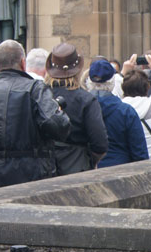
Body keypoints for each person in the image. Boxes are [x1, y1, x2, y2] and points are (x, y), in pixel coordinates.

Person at [0, 39, 70, 187]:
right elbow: (58, 125)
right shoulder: (35, 88)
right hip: (31, 174)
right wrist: (58, 111)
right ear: (23, 63)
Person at [45, 42, 108, 174]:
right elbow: (100, 143)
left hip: (43, 166)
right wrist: (89, 159)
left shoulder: (39, 96)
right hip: (76, 166)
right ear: (78, 69)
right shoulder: (86, 100)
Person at [86, 57, 149, 167]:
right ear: (112, 82)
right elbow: (140, 153)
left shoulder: (82, 108)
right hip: (120, 168)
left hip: (88, 168)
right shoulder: (126, 112)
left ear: (89, 82)